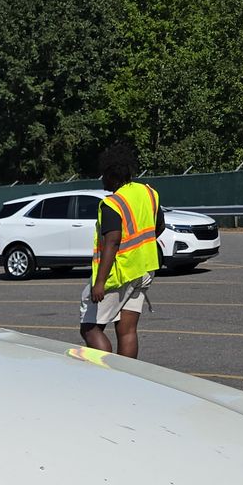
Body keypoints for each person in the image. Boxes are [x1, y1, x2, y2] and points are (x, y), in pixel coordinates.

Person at [79, 143, 162, 359]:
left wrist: (99, 282)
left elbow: (112, 242)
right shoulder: (148, 193)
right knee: (127, 331)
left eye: (103, 175)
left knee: (90, 328)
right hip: (145, 270)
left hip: (119, 275)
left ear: (111, 175)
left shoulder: (112, 204)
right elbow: (158, 227)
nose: (101, 180)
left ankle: (107, 375)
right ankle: (127, 378)